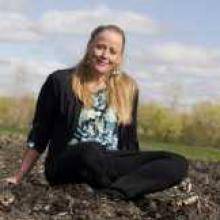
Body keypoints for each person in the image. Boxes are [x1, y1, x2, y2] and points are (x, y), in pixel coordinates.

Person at [5, 24, 188, 200]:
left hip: (109, 161)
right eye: (100, 47)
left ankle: (115, 193)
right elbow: (40, 133)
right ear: (89, 46)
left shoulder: (128, 87)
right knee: (90, 150)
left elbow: (130, 141)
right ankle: (119, 187)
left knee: (177, 162)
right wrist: (19, 176)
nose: (105, 55)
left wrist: (134, 166)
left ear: (119, 57)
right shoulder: (60, 81)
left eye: (112, 51)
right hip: (68, 163)